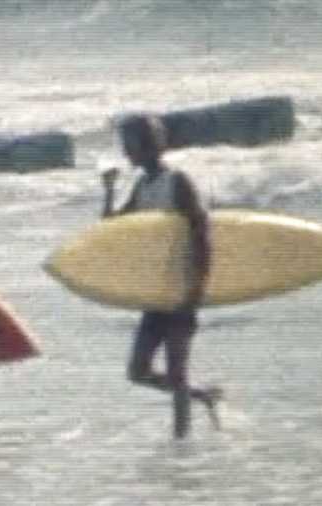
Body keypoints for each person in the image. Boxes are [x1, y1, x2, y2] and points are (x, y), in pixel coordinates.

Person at [101, 114, 221, 438]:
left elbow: (202, 234)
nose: (126, 152)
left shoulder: (178, 182)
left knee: (177, 372)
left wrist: (196, 290)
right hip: (156, 292)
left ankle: (180, 445)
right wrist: (109, 191)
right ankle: (204, 397)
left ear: (150, 145)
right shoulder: (143, 185)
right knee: (137, 371)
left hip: (181, 289)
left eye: (130, 144)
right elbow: (113, 229)